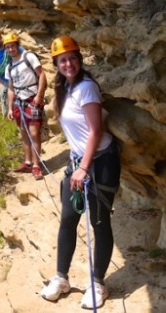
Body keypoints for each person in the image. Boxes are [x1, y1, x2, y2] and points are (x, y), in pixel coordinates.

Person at [40, 36, 121, 309]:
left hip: (100, 164)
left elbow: (96, 131)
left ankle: (98, 284)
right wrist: (78, 166)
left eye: (72, 58)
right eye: (62, 60)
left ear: (80, 59)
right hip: (79, 163)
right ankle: (61, 278)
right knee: (67, 220)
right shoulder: (65, 88)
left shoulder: (86, 88)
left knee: (99, 223)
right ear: (56, 64)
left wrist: (84, 168)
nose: (68, 63)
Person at [3, 32, 47, 179]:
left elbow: (41, 74)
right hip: (19, 101)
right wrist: (10, 108)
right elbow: (10, 87)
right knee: (24, 132)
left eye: (12, 46)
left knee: (34, 132)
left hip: (32, 98)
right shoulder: (9, 66)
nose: (10, 49)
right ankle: (28, 162)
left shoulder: (28, 56)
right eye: (7, 47)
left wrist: (40, 95)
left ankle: (36, 165)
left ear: (17, 45)